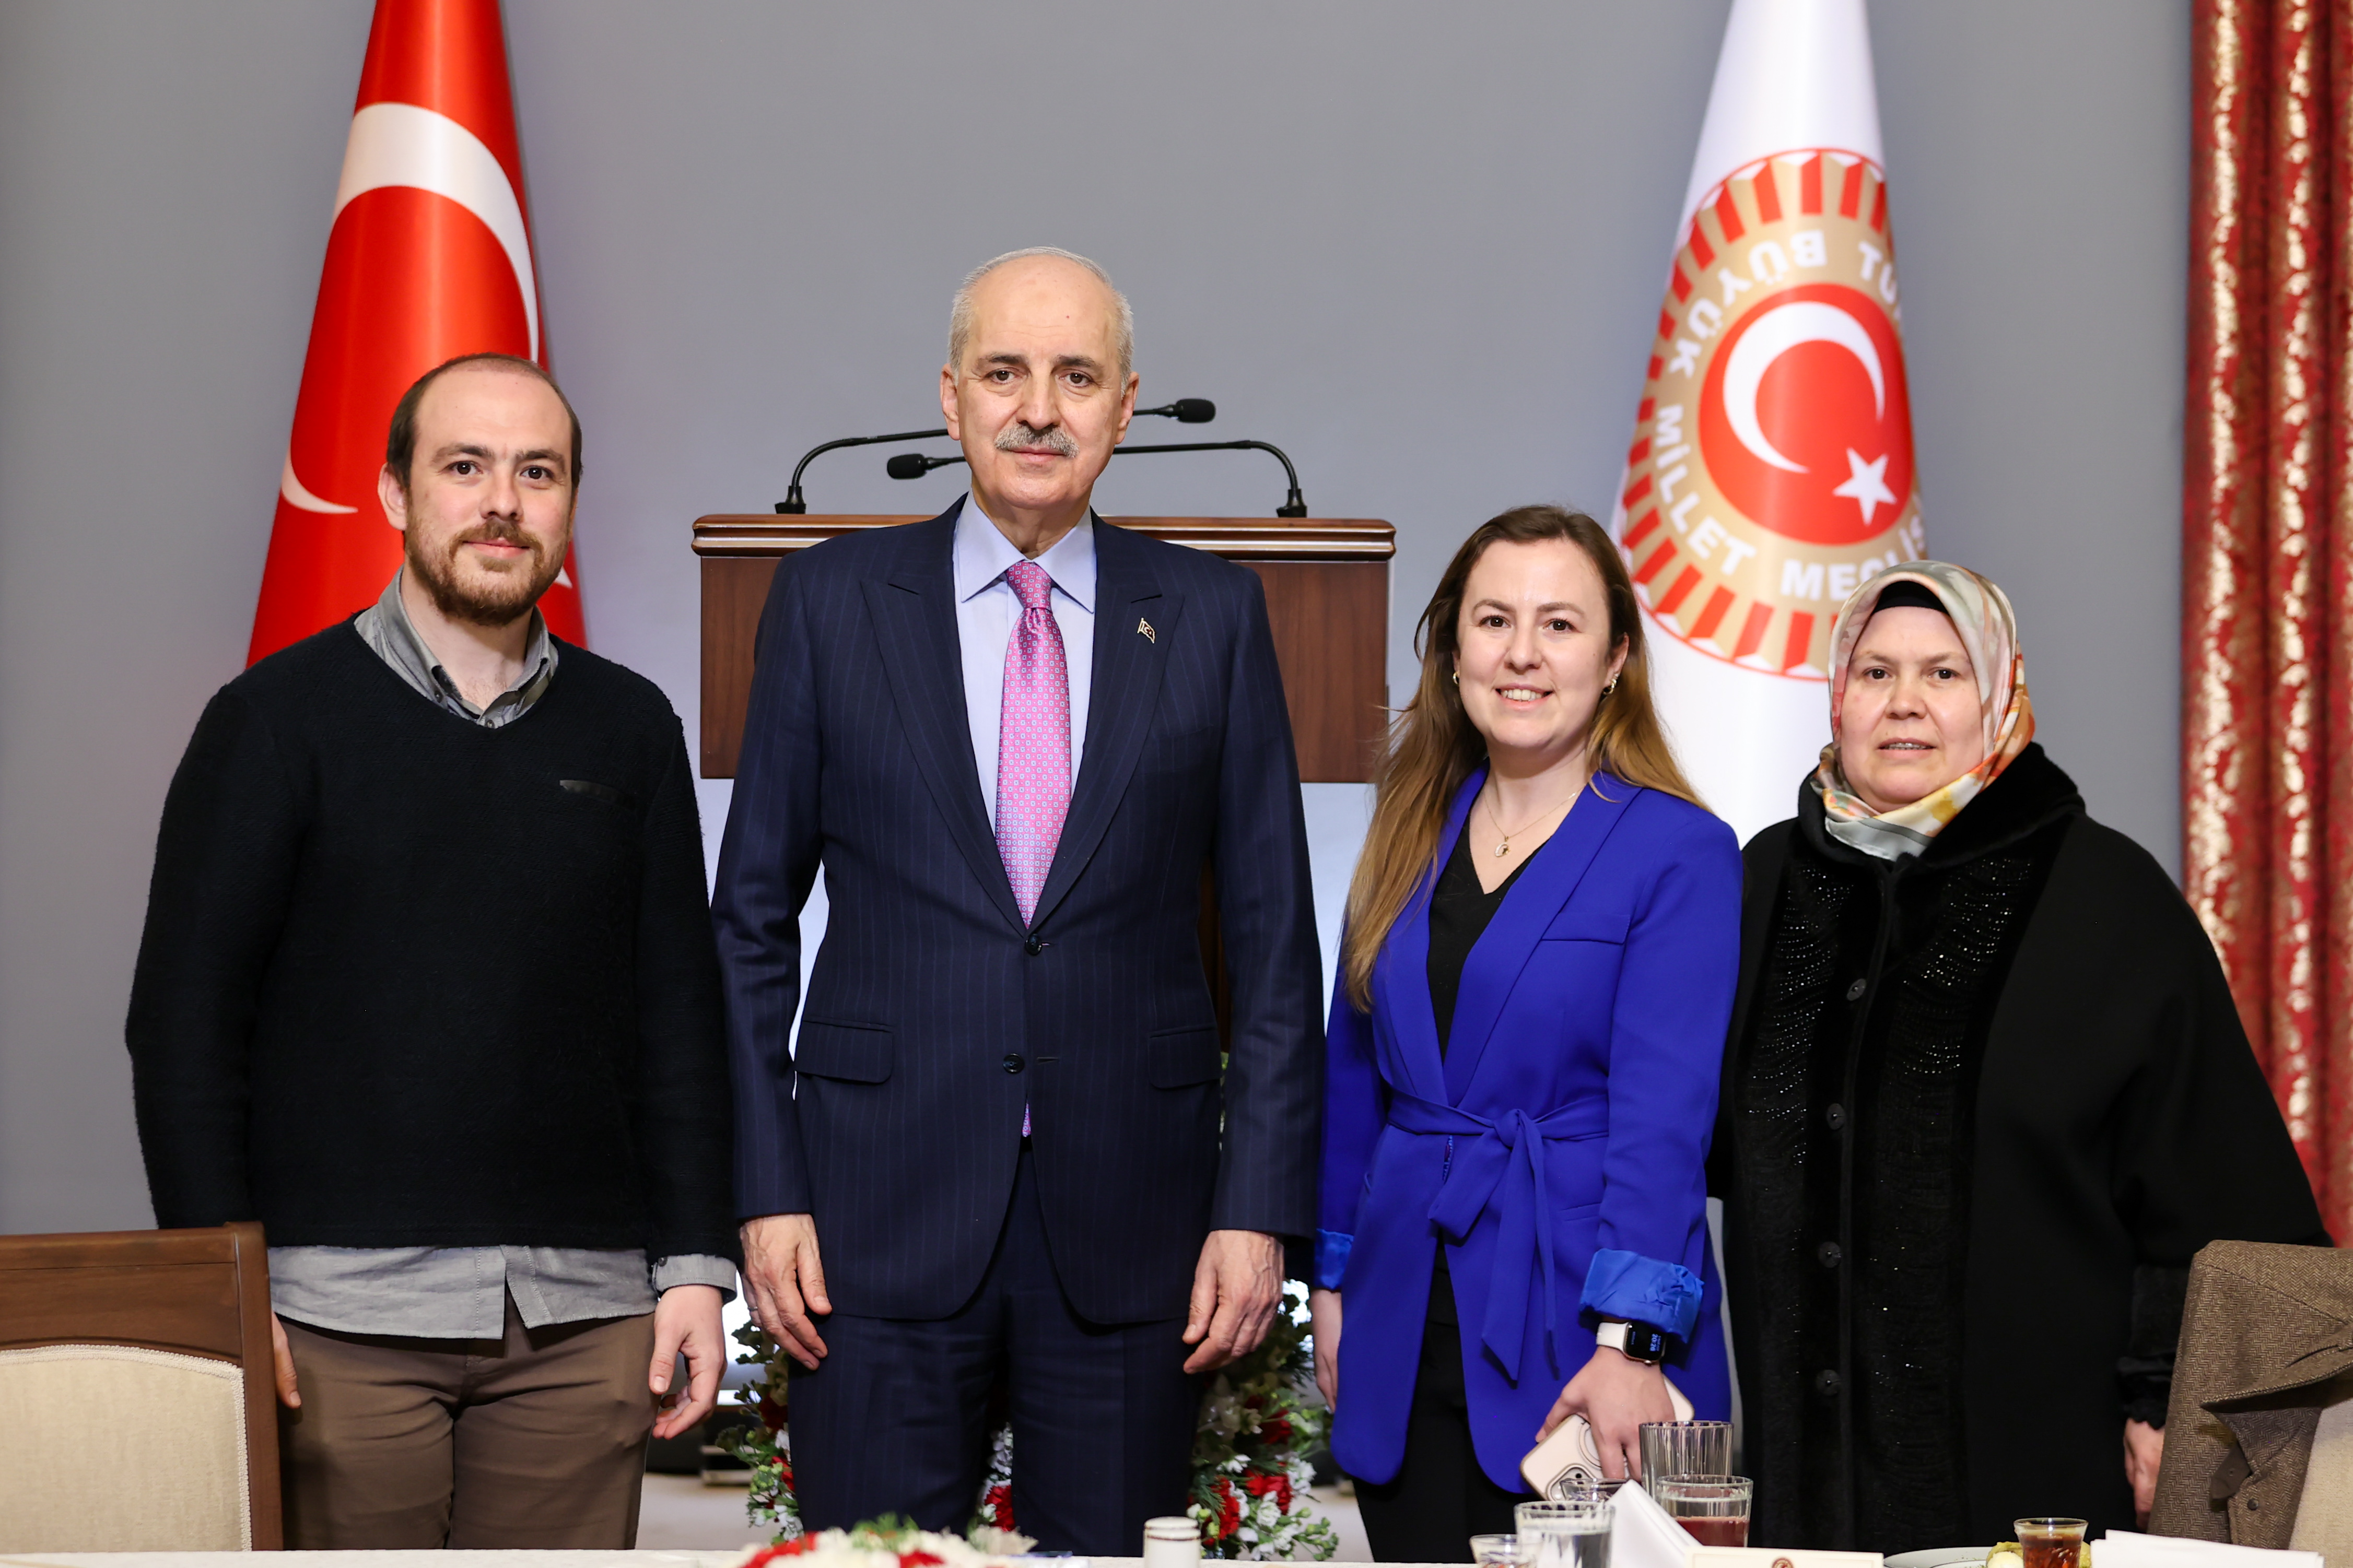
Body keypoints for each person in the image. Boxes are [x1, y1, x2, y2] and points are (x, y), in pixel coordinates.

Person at [713, 247, 1322, 1552]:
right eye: (1005, 372)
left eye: (1077, 376)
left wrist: (1257, 1206)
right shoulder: (828, 602)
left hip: (1135, 1225)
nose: (1039, 408)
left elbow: (1274, 943)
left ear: (1125, 406)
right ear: (951, 398)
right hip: (871, 1216)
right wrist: (766, 1189)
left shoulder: (1214, 615)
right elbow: (750, 921)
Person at [125, 353, 737, 1548]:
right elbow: (184, 1032)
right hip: (334, 1321)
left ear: (570, 502)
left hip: (583, 1321)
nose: (503, 501)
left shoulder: (632, 727)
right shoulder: (272, 722)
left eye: (537, 471)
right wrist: (224, 1294)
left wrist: (693, 1268)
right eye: (466, 466)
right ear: (396, 492)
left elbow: (679, 1016)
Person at [1712, 562, 2329, 1551]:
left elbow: (2216, 1200)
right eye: (1874, 672)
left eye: (1943, 673)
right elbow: (1678, 1139)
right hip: (1800, 1496)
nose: (1904, 702)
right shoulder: (1761, 883)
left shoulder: (2107, 897)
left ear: (2000, 693)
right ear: (1835, 697)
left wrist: (2164, 1406)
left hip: (2037, 1484)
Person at [1313, 504, 1741, 1562]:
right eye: (1494, 619)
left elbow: (1663, 1123)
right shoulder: (1408, 823)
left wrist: (1632, 1343)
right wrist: (1330, 1281)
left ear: (1616, 657)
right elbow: (1352, 1075)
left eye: (1559, 623)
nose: (1522, 653)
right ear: (1453, 649)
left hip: (1583, 1323)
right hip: (1399, 1313)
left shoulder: (1680, 849)